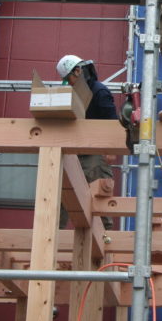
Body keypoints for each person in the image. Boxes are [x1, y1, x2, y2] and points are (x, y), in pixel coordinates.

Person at [56, 54, 117, 229]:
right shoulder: (73, 94)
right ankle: (52, 237)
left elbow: (112, 121)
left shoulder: (99, 92)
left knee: (99, 193)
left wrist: (111, 148)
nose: (69, 83)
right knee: (63, 196)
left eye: (69, 79)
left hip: (95, 152)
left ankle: (104, 239)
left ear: (77, 71)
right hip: (75, 151)